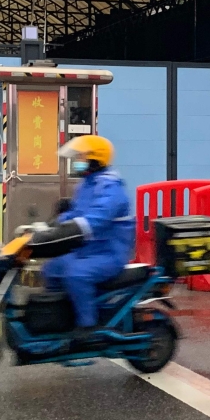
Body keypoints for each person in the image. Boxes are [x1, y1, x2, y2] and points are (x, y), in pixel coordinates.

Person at [42, 135, 134, 341]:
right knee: (52, 269)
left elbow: (96, 220)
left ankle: (87, 326)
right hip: (86, 250)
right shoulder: (86, 184)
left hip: (108, 254)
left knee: (77, 274)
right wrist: (51, 226)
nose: (77, 161)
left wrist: (68, 229)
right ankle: (60, 319)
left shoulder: (111, 188)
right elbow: (76, 213)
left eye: (81, 157)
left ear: (95, 159)